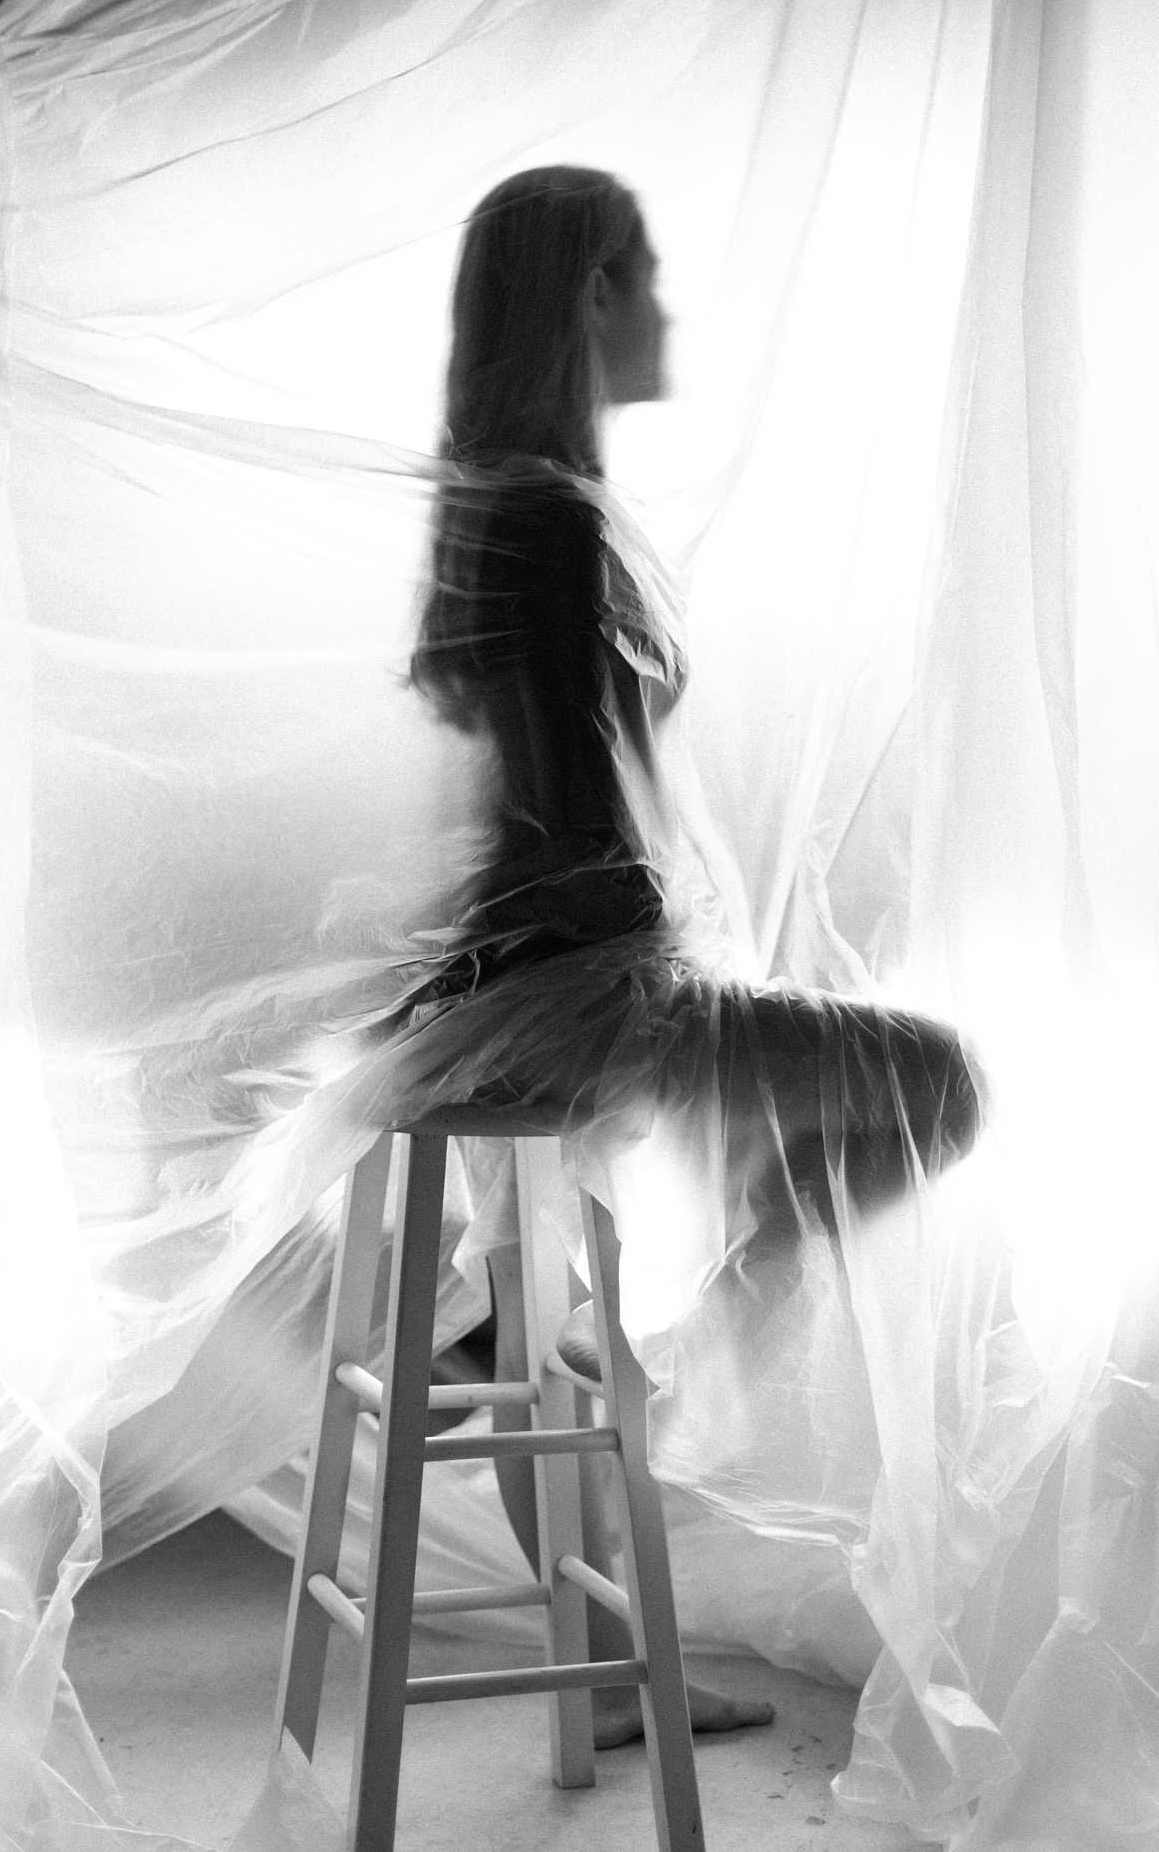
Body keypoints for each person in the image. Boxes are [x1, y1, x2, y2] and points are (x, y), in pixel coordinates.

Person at [393, 166, 982, 1745]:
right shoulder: (550, 520)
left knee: (529, 1302)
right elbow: (575, 804)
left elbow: (545, 790)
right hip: (577, 968)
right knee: (938, 1084)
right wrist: (660, 973)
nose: (663, 305)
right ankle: (666, 1335)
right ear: (588, 293)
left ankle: (601, 1674)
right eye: (642, 273)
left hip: (525, 969)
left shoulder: (507, 504)